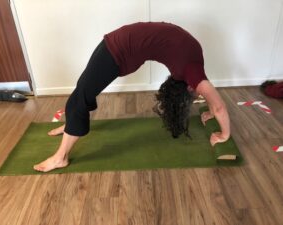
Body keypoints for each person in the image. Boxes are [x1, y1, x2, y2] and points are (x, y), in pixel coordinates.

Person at [33, 22, 230, 172]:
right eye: (196, 96)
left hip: (117, 40)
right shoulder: (193, 73)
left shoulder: (194, 63)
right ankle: (62, 155)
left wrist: (212, 114)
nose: (198, 94)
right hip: (118, 51)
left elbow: (214, 102)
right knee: (82, 91)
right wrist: (224, 134)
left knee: (83, 89)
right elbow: (219, 105)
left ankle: (67, 138)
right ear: (188, 88)